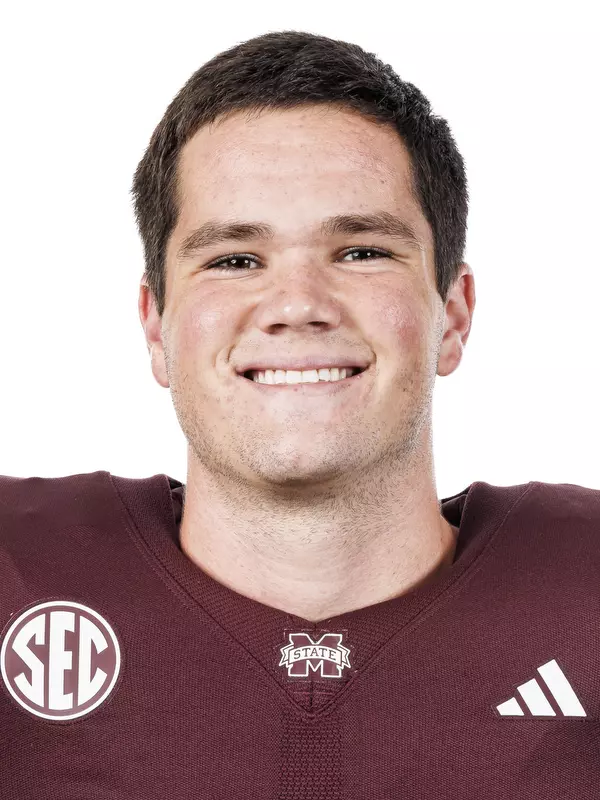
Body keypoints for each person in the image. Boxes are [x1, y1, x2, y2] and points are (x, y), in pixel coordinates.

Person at [1, 30, 597, 800]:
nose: (297, 305)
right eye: (234, 259)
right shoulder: (20, 574)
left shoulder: (583, 595)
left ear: (453, 314)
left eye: (360, 251)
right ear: (156, 326)